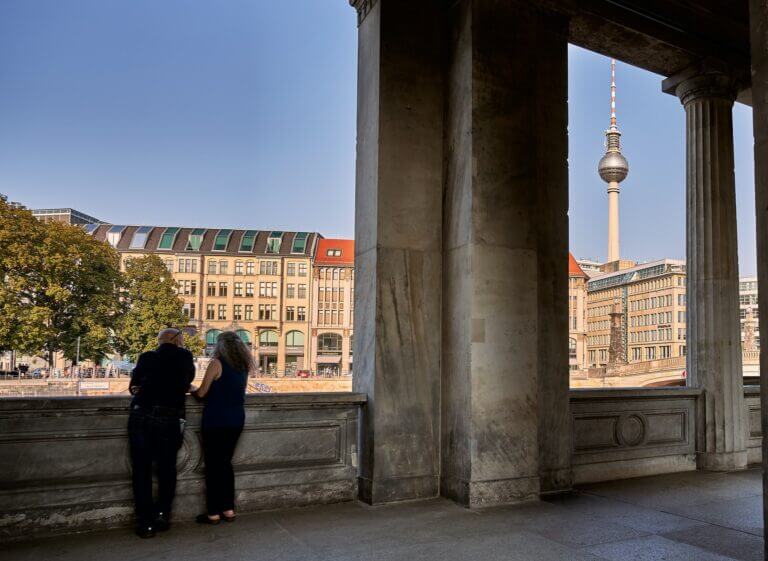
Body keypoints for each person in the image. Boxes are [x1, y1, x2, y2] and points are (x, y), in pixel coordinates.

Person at [128, 328, 195, 538]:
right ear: (176, 340)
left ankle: (145, 522)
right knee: (167, 469)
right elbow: (186, 381)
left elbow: (134, 387)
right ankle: (162, 514)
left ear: (160, 341)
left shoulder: (146, 357)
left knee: (142, 469)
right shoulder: (184, 356)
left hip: (142, 415)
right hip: (169, 417)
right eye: (182, 340)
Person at [191, 331, 250, 524]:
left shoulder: (216, 363)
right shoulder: (243, 366)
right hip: (236, 419)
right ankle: (229, 509)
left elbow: (202, 393)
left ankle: (213, 513)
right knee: (225, 465)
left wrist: (191, 389)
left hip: (216, 420)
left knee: (213, 466)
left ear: (220, 346)